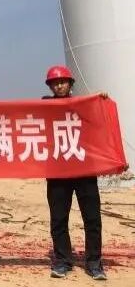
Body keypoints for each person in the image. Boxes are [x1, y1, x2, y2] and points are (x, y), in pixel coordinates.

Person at [43, 66, 106, 280]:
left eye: (63, 82)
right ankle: (63, 261)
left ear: (70, 84)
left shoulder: (84, 106)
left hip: (84, 170)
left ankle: (94, 263)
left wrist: (99, 100)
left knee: (92, 218)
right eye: (55, 83)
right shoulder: (45, 106)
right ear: (50, 87)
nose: (59, 86)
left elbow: (100, 125)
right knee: (58, 219)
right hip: (58, 172)